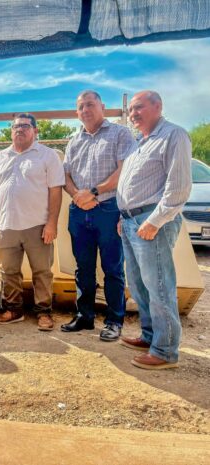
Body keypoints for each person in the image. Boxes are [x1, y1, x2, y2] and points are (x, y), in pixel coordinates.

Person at [117, 90, 192, 370]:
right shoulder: (141, 142)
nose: (133, 114)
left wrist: (155, 221)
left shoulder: (174, 135)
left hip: (150, 222)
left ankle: (165, 350)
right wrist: (124, 215)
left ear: (158, 106)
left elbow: (178, 187)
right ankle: (149, 336)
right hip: (131, 221)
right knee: (139, 285)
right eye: (131, 110)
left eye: (139, 108)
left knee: (159, 286)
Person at [61, 90, 137, 341]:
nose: (86, 110)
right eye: (81, 106)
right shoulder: (74, 141)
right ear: (77, 112)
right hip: (78, 211)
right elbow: (66, 175)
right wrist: (77, 196)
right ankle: (85, 316)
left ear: (102, 107)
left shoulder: (120, 133)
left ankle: (114, 321)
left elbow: (124, 170)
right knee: (83, 268)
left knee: (113, 268)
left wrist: (94, 192)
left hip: (109, 209)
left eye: (90, 104)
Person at [0, 114, 65, 331]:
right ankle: (13, 310)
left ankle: (44, 312)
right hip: (6, 225)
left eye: (25, 126)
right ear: (11, 131)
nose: (19, 129)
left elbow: (55, 191)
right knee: (8, 271)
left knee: (42, 271)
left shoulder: (47, 155)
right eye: (16, 126)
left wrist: (51, 223)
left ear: (35, 131)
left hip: (37, 225)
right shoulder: (0, 157)